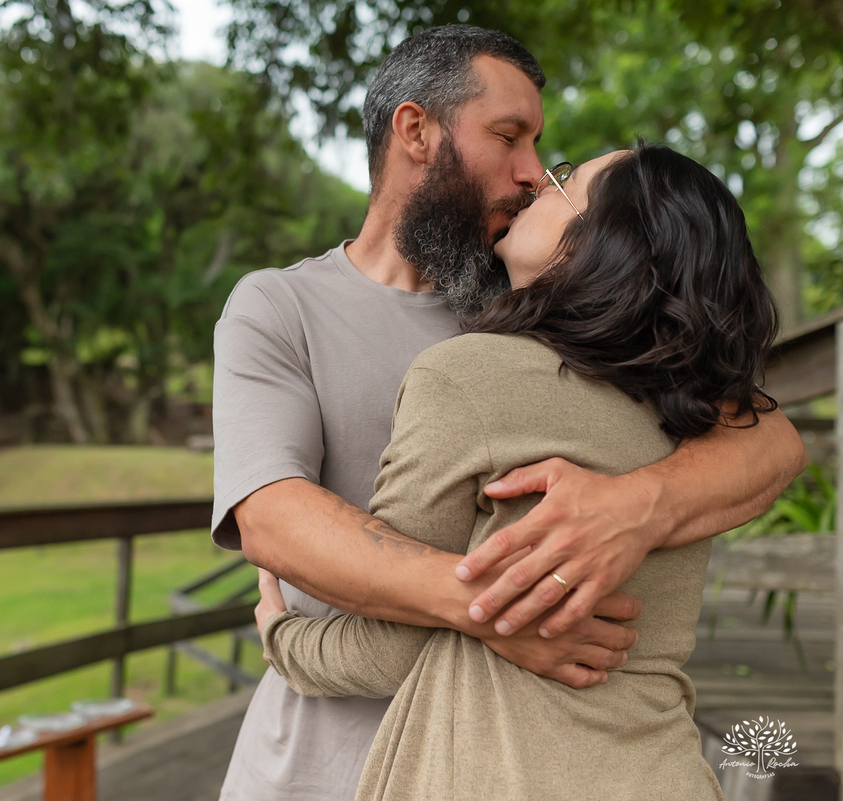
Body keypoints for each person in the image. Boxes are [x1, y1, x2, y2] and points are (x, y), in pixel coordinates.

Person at [211, 25, 805, 800]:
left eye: (542, 150)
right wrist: (489, 607)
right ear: (416, 130)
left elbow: (769, 438)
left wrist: (635, 506)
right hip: (315, 761)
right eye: (508, 136)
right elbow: (271, 517)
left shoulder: (560, 316)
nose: (531, 174)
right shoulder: (279, 304)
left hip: (497, 760)